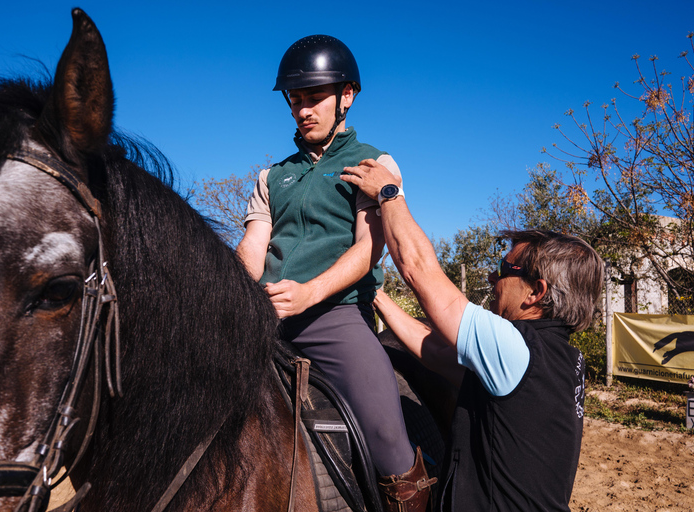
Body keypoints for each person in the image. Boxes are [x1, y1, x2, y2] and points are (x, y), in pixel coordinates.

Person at [236, 35, 435, 511]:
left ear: (347, 96)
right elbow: (252, 247)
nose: (304, 110)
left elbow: (370, 249)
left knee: (387, 432)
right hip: (265, 315)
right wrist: (238, 294)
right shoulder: (271, 176)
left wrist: (308, 294)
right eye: (296, 100)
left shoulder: (372, 163)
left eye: (315, 98)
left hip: (335, 317)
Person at [340, 160, 604, 511]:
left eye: (504, 270)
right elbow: (435, 353)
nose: (494, 280)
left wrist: (390, 194)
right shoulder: (560, 358)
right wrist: (375, 295)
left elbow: (419, 270)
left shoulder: (515, 348)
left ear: (535, 292)